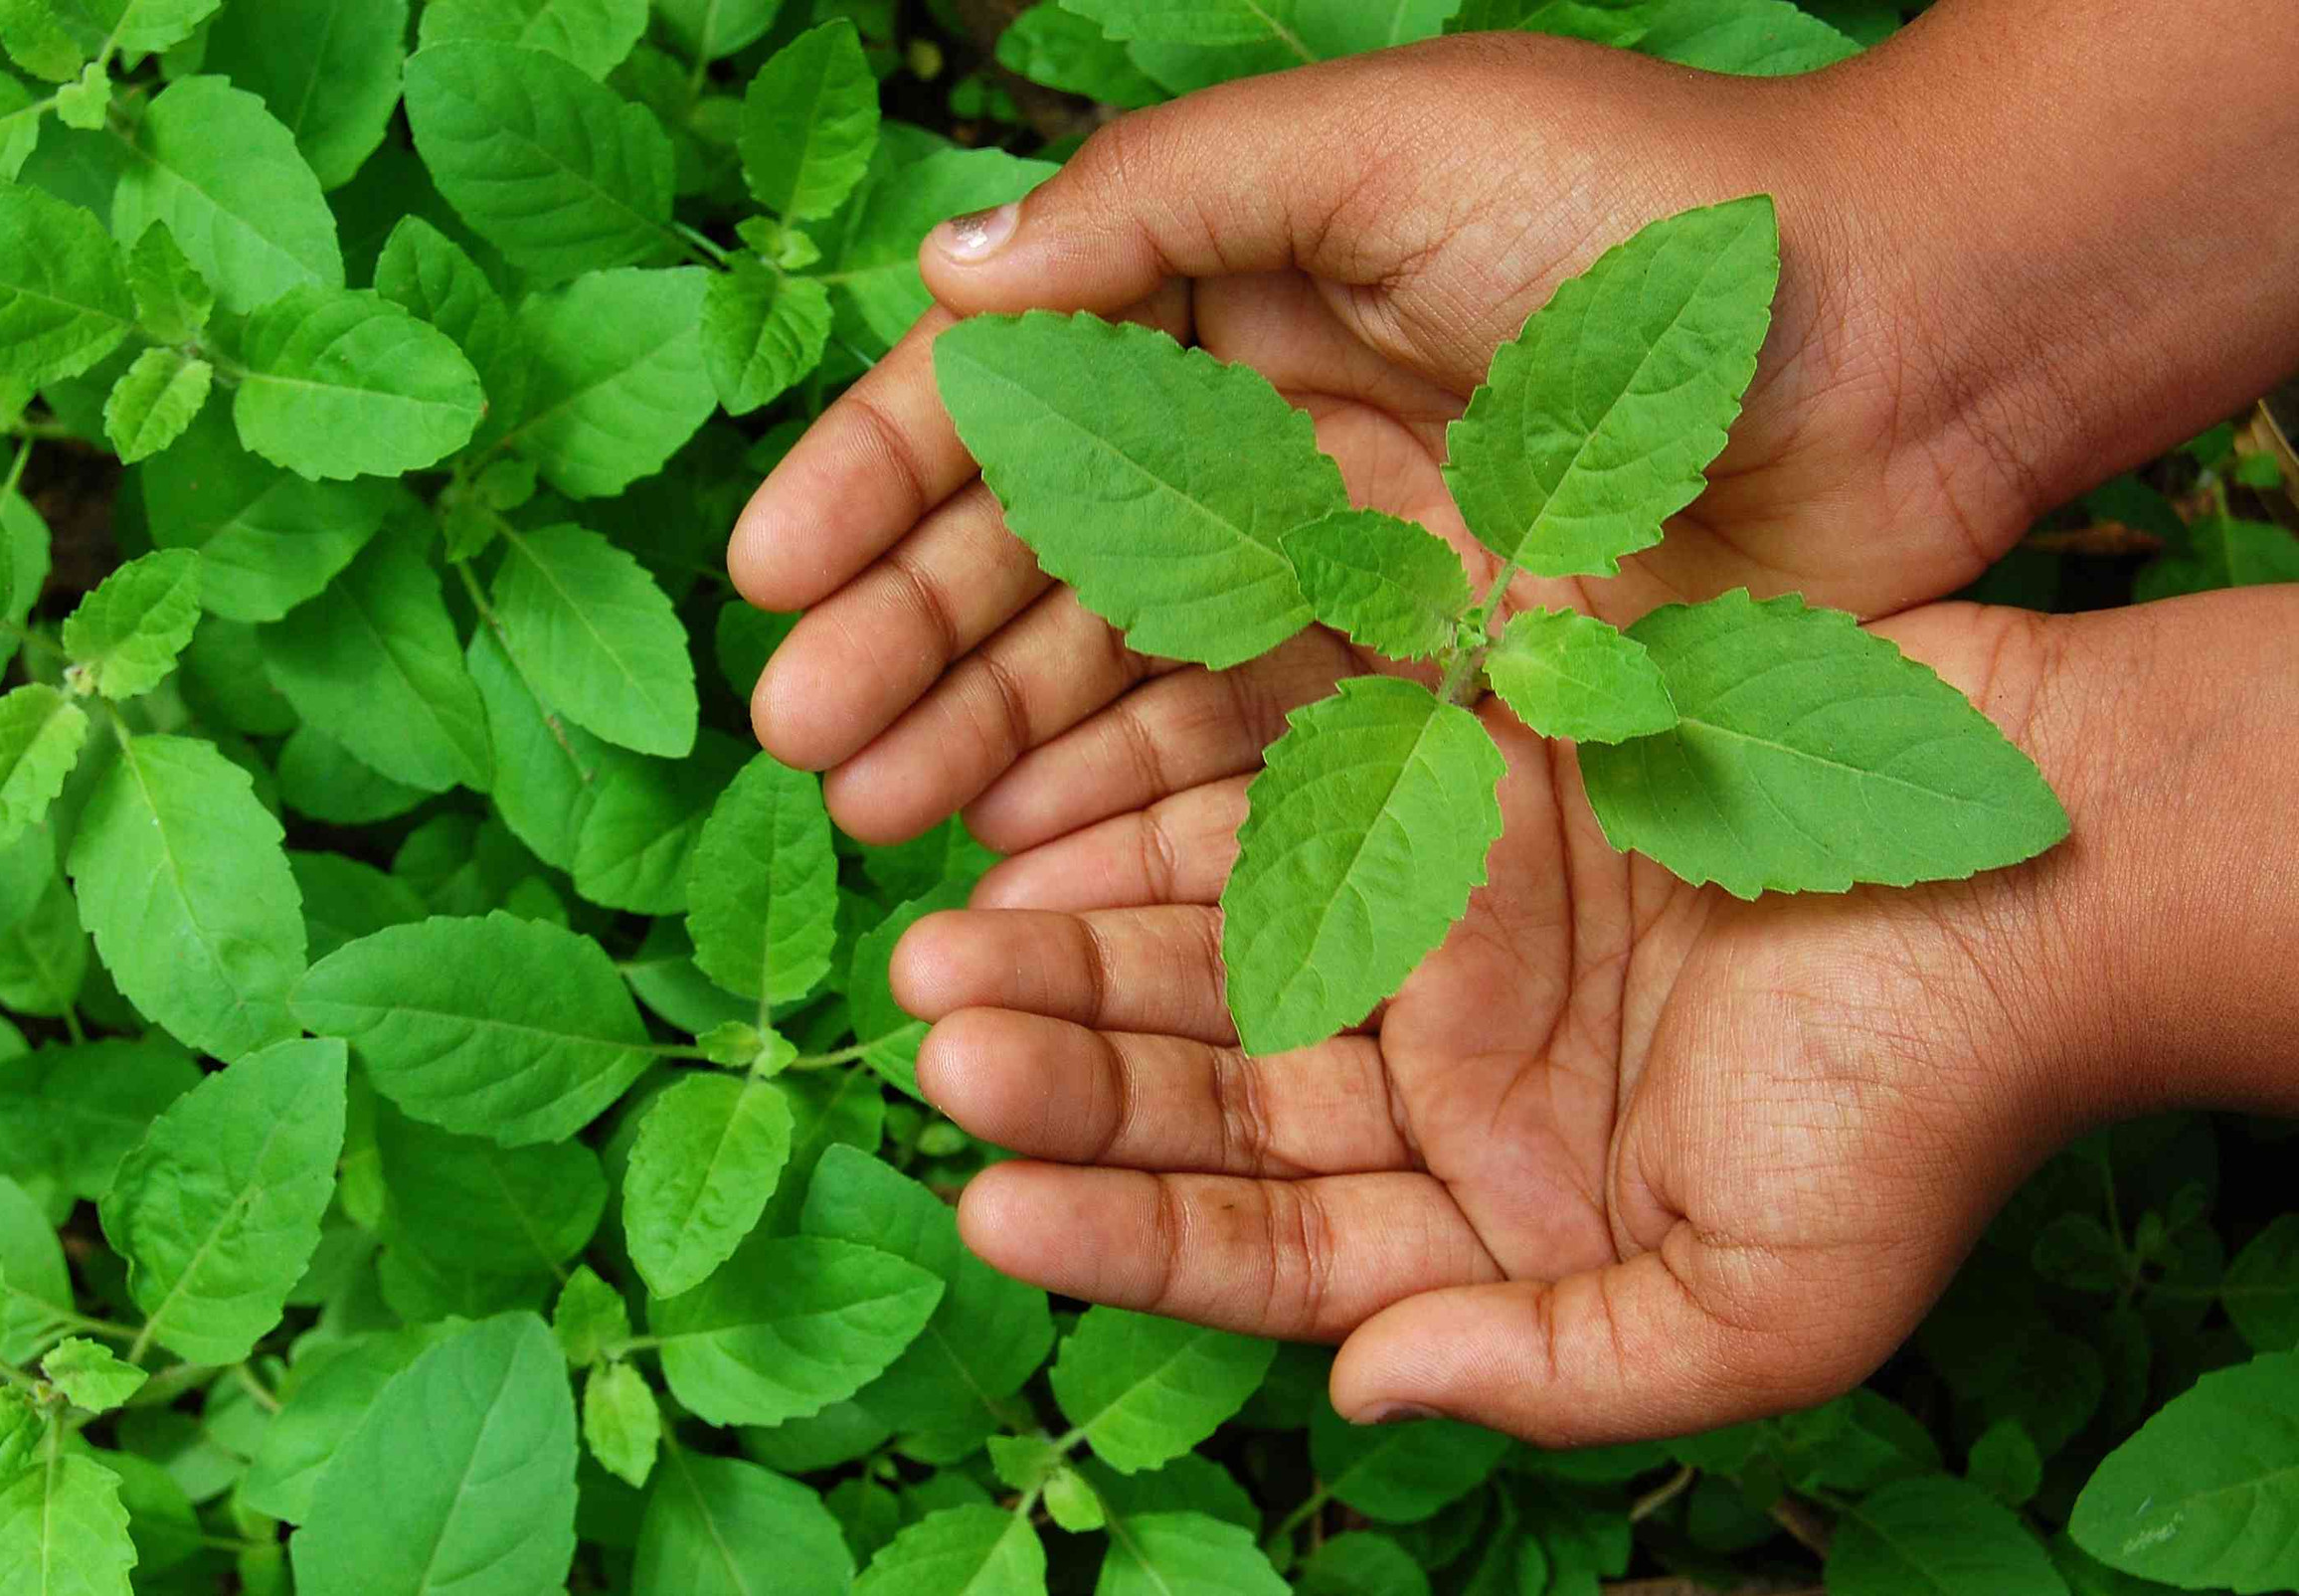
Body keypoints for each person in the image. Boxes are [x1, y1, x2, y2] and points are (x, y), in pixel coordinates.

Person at [726, 0, 2299, 1444]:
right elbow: (1699, 294)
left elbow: (1708, 323)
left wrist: (2078, 907)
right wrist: (1914, 280)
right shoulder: (1417, 613)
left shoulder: (1571, 665)